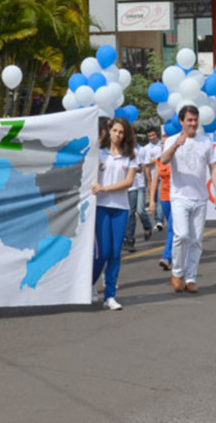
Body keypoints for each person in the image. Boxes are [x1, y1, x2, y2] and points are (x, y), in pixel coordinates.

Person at [159, 105, 216, 294]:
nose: (193, 123)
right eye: (189, 120)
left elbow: (213, 168)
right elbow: (163, 160)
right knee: (182, 235)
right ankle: (177, 273)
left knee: (196, 241)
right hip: (179, 196)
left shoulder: (206, 142)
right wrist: (177, 144)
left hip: (200, 197)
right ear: (181, 121)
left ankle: (191, 277)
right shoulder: (171, 140)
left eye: (195, 120)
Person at [91, 118, 138, 310]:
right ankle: (89, 284)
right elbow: (89, 177)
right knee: (103, 252)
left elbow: (128, 182)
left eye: (121, 132)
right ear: (109, 131)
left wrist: (105, 188)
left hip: (120, 208)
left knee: (116, 254)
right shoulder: (99, 154)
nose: (118, 135)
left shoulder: (131, 156)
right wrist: (96, 187)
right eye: (115, 131)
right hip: (101, 207)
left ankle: (110, 296)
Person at [124, 128, 153, 253]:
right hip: (122, 187)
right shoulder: (118, 151)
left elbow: (142, 168)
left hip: (136, 185)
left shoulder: (136, 152)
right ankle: (127, 239)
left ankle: (132, 238)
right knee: (127, 214)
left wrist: (150, 182)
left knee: (138, 211)